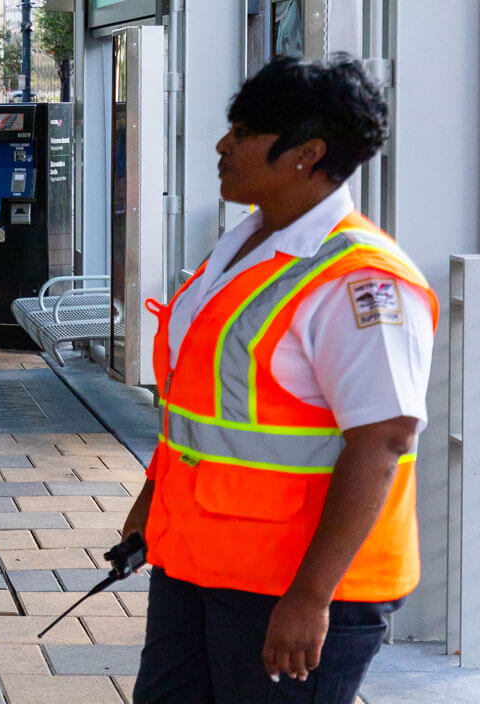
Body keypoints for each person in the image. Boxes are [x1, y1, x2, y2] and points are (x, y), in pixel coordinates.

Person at [124, 55, 434, 704]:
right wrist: (153, 499)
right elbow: (206, 404)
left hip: (294, 586)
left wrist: (310, 597)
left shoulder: (363, 280)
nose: (222, 145)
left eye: (244, 132)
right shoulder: (245, 244)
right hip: (198, 561)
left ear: (307, 154)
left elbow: (381, 441)